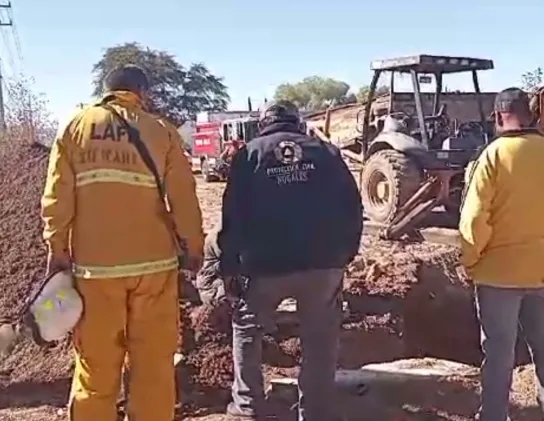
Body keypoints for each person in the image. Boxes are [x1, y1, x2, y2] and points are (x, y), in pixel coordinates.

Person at [41, 64, 204, 421]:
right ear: (141, 94)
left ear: (106, 90)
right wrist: (193, 247)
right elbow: (184, 198)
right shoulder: (162, 132)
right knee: (154, 367)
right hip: (155, 269)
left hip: (95, 271)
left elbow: (57, 195)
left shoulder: (77, 125)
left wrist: (57, 249)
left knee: (95, 368)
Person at [218, 100, 363, 421]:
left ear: (263, 124)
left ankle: (248, 405)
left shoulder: (250, 154)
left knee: (247, 328)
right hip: (322, 262)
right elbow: (353, 206)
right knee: (320, 337)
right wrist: (346, 253)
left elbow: (232, 214)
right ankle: (315, 411)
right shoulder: (326, 153)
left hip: (264, 264)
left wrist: (229, 266)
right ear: (298, 123)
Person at [459, 87, 544, 421]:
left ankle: (494, 416)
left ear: (500, 116)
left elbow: (474, 218)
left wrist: (470, 259)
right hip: (543, 272)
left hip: (497, 275)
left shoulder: (493, 156)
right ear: (530, 115)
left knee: (499, 352)